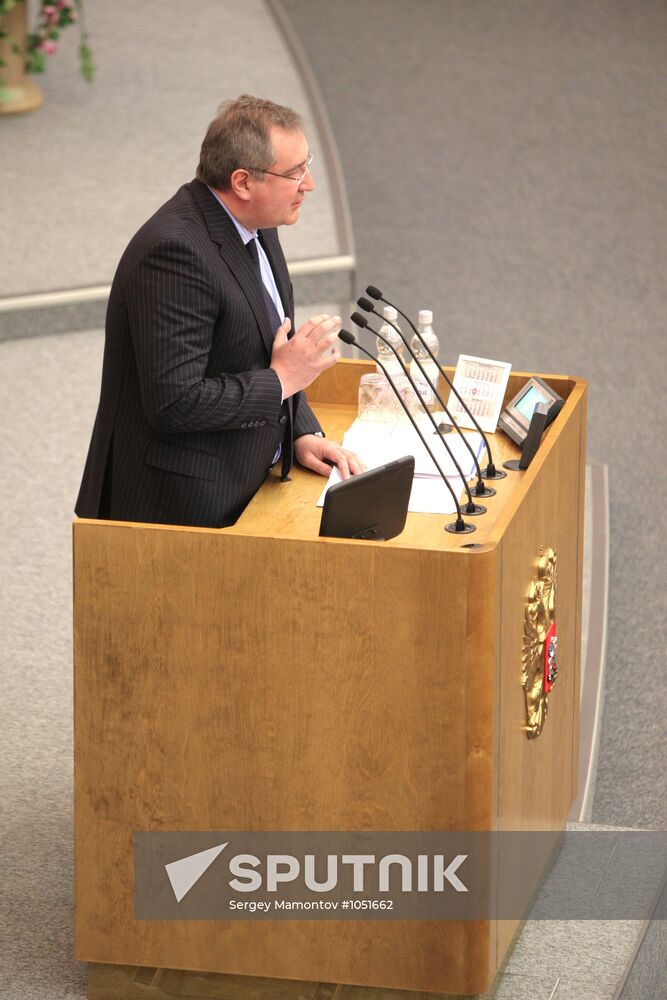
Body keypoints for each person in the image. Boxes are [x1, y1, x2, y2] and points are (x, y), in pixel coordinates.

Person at [75, 94, 362, 529]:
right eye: (295, 172)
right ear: (244, 182)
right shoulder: (175, 254)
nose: (309, 184)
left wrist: (300, 431)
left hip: (245, 477)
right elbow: (175, 402)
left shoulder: (257, 223)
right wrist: (283, 379)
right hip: (178, 508)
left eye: (308, 164)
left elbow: (272, 347)